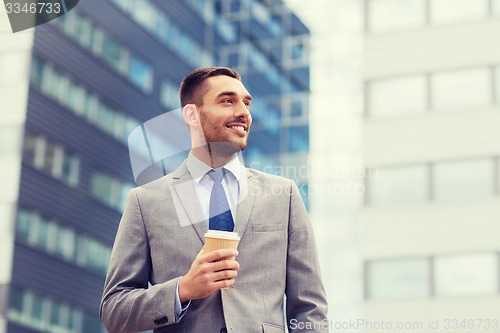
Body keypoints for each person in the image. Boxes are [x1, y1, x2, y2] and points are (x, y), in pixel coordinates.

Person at [100, 67, 328, 333]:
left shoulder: (284, 195)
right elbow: (114, 311)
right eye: (227, 101)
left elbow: (309, 309)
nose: (244, 112)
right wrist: (182, 289)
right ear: (191, 114)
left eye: (246, 103)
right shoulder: (146, 202)